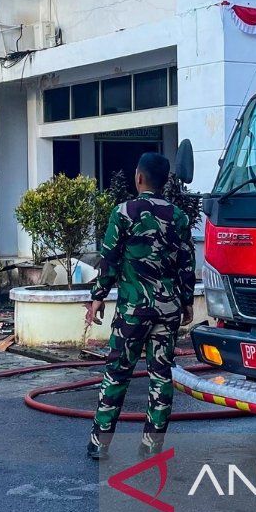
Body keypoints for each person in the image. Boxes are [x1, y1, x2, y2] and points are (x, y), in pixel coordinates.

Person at [84, 152, 195, 461]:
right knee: (161, 375)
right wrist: (186, 301)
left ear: (139, 177)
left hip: (134, 309)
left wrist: (97, 297)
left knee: (117, 372)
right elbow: (187, 263)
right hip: (167, 308)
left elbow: (109, 259)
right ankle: (151, 446)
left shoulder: (123, 213)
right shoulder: (179, 216)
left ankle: (99, 443)